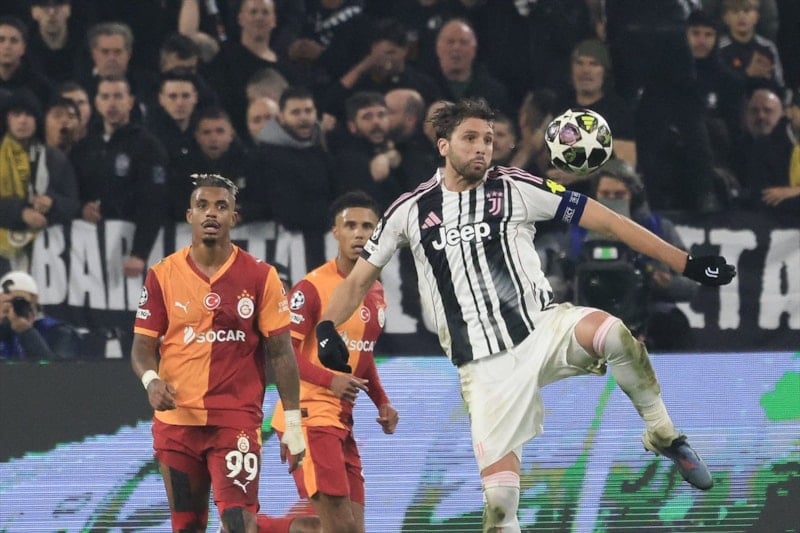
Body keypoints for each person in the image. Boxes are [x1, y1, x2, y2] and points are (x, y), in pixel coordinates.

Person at [314, 99, 736, 531]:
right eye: (470, 138)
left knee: (613, 333)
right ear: (443, 145)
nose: (482, 147)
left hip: (542, 329)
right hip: (484, 367)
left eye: (488, 139)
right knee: (500, 507)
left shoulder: (516, 187)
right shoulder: (409, 210)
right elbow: (357, 282)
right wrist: (327, 326)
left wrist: (685, 263)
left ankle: (663, 433)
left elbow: (608, 221)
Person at [131, 173, 306, 533]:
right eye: (203, 205)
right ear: (190, 215)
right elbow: (142, 347)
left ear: (233, 217)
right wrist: (151, 381)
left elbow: (282, 353)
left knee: (240, 523)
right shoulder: (162, 275)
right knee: (187, 526)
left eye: (221, 206)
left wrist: (293, 423)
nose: (211, 212)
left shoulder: (261, 276)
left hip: (235, 421)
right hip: (177, 425)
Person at [272, 190, 399, 533]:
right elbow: (283, 355)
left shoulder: (375, 290)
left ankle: (255, 527)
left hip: (342, 419)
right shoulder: (311, 288)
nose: (359, 234)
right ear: (335, 232)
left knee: (350, 528)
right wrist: (331, 381)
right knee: (340, 528)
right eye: (350, 225)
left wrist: (382, 401)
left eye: (368, 227)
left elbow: (361, 353)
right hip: (309, 415)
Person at [69, 75, 168, 279]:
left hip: (132, 250)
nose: (111, 103)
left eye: (118, 96)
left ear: (130, 101)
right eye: (105, 97)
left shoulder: (148, 146)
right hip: (87, 249)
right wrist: (81, 208)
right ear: (96, 102)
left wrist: (139, 253)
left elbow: (154, 202)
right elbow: (71, 192)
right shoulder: (84, 147)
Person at [0, 89, 80, 275]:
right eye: (16, 114)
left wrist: (53, 203)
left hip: (47, 254)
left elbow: (73, 204)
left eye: (28, 114)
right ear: (7, 119)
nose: (22, 120)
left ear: (37, 119)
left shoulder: (54, 158)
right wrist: (21, 212)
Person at [0, 269, 82, 359]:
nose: (13, 307)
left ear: (34, 300)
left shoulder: (60, 332)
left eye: (18, 302)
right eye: (7, 302)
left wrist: (26, 332)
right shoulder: (5, 331)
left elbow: (56, 367)